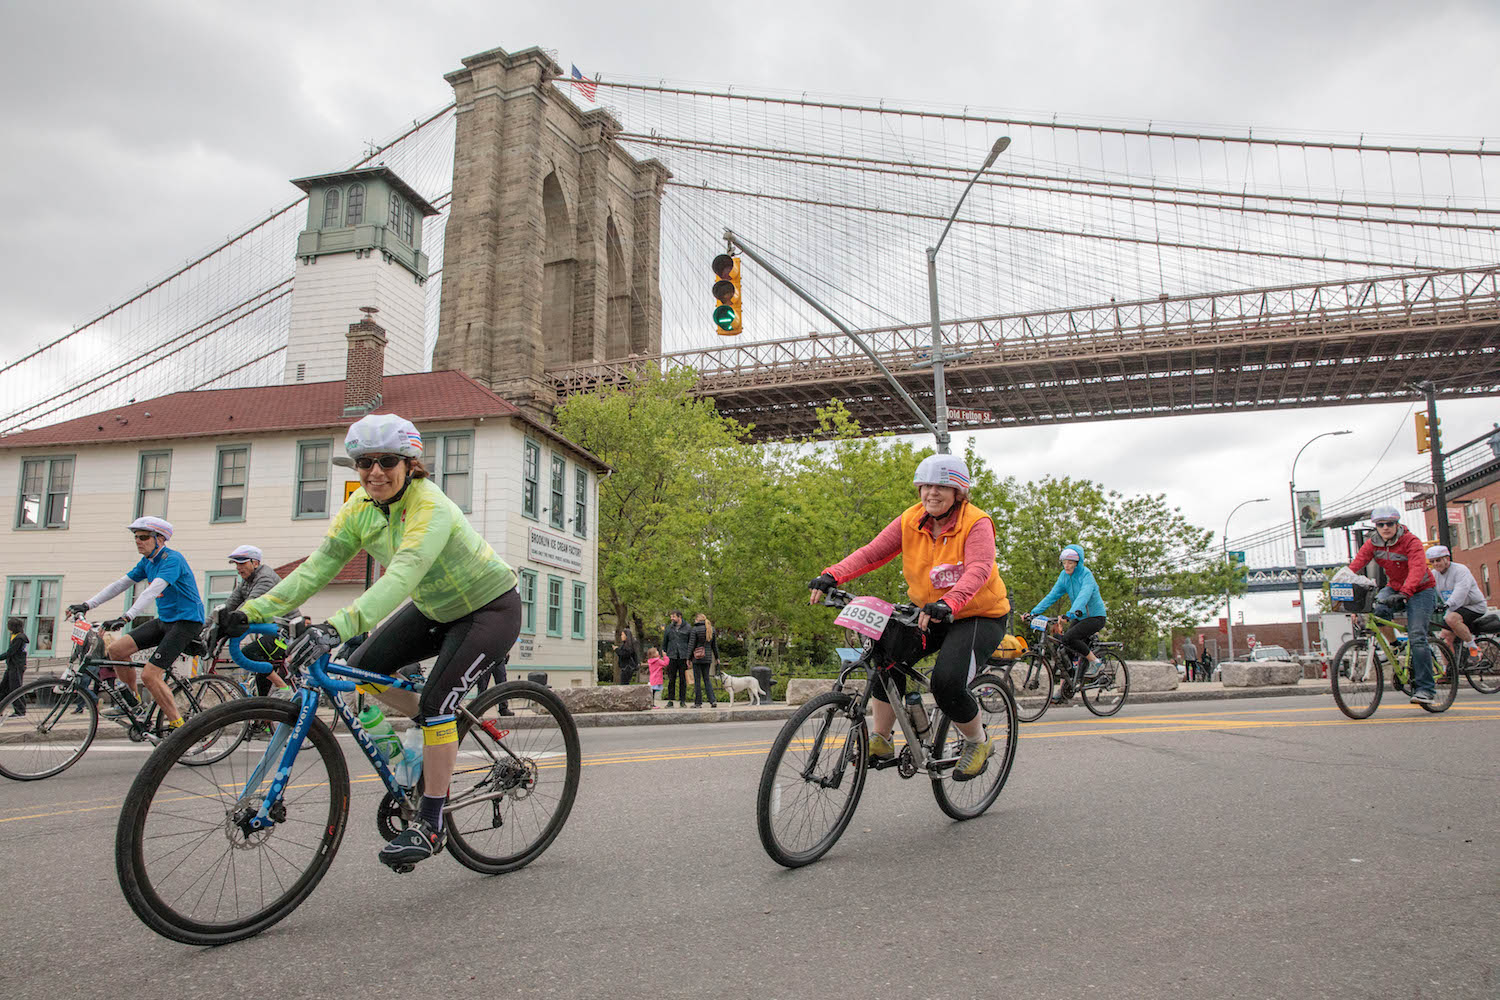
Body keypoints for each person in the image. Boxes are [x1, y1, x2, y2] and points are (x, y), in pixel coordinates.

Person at [216, 412, 521, 870]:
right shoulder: (360, 507)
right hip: (435, 608)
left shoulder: (429, 505)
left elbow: (403, 574)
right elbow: (316, 569)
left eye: (387, 461)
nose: (375, 472)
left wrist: (336, 626)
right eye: (364, 463)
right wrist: (245, 613)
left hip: (489, 608)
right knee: (359, 670)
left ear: (410, 464)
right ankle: (428, 738)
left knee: (437, 704)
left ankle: (431, 821)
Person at [809, 454, 1010, 780]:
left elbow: (979, 569)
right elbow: (872, 553)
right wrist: (833, 575)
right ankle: (881, 739)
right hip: (928, 614)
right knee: (884, 655)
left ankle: (978, 741)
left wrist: (950, 602)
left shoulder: (976, 522)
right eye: (926, 485)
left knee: (947, 685)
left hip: (978, 615)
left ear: (958, 492)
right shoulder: (911, 520)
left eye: (942, 486)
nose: (932, 492)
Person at [66, 517, 204, 729]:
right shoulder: (147, 562)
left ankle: (180, 728)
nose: (138, 541)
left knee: (150, 675)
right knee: (117, 650)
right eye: (136, 537)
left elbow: (153, 590)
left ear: (160, 539)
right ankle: (133, 703)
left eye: (143, 537)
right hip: (166, 620)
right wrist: (87, 604)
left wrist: (126, 617)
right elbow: (120, 584)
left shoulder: (172, 559)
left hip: (186, 622)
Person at [1344, 506, 1438, 704]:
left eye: (1389, 524)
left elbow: (1418, 569)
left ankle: (1426, 689)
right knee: (1377, 612)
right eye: (1380, 524)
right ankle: (1395, 645)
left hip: (1421, 589)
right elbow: (1355, 566)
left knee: (1417, 636)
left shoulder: (1411, 542)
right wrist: (1341, 585)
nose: (1385, 528)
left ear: (1397, 524)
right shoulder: (1373, 543)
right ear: (1376, 526)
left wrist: (1405, 593)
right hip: (1394, 586)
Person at [1024, 544, 1108, 703]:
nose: (1067, 565)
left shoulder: (1086, 575)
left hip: (1095, 617)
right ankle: (1067, 687)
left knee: (1069, 638)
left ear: (1078, 562)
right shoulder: (1064, 576)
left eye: (1071, 562)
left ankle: (1095, 662)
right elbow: (1052, 595)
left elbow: (1084, 596)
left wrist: (1071, 613)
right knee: (1064, 649)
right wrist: (1034, 612)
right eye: (1064, 562)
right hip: (1078, 615)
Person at [221, 545, 296, 698]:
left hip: (286, 633)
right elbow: (229, 605)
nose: (238, 568)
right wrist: (206, 627)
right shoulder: (246, 582)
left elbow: (249, 607)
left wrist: (231, 622)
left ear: (255, 563)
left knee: (249, 652)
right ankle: (264, 718)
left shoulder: (265, 579)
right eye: (236, 564)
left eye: (242, 563)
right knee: (262, 679)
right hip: (271, 633)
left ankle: (283, 688)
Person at [1426, 544, 1487, 663]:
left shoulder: (1460, 570)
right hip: (1453, 608)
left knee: (1451, 619)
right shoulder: (1434, 574)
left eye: (1438, 560)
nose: (1435, 564)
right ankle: (1449, 672)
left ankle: (1473, 648)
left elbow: (1461, 591)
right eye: (1432, 561)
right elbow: (1425, 589)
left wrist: (1447, 605)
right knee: (1444, 639)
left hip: (1473, 606)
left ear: (1447, 559)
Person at [660, 611, 692, 708]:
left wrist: (689, 657)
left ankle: (682, 700)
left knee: (683, 679)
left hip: (683, 657)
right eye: (671, 617)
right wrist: (664, 651)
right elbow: (665, 641)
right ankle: (670, 700)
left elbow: (691, 642)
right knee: (671, 679)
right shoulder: (669, 628)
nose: (672, 618)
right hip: (672, 656)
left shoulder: (688, 627)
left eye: (673, 616)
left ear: (679, 617)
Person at [689, 613, 719, 708]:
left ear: (698, 619)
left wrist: (688, 658)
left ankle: (698, 702)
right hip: (708, 657)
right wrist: (717, 657)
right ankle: (712, 700)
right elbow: (714, 646)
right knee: (707, 679)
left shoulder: (695, 629)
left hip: (697, 658)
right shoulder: (711, 629)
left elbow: (691, 645)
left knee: (697, 680)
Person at [1, 618, 27, 716]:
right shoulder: (14, 636)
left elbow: (11, 652)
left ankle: (20, 710)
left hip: (16, 666)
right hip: (11, 665)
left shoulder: (20, 638)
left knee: (15, 688)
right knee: (3, 687)